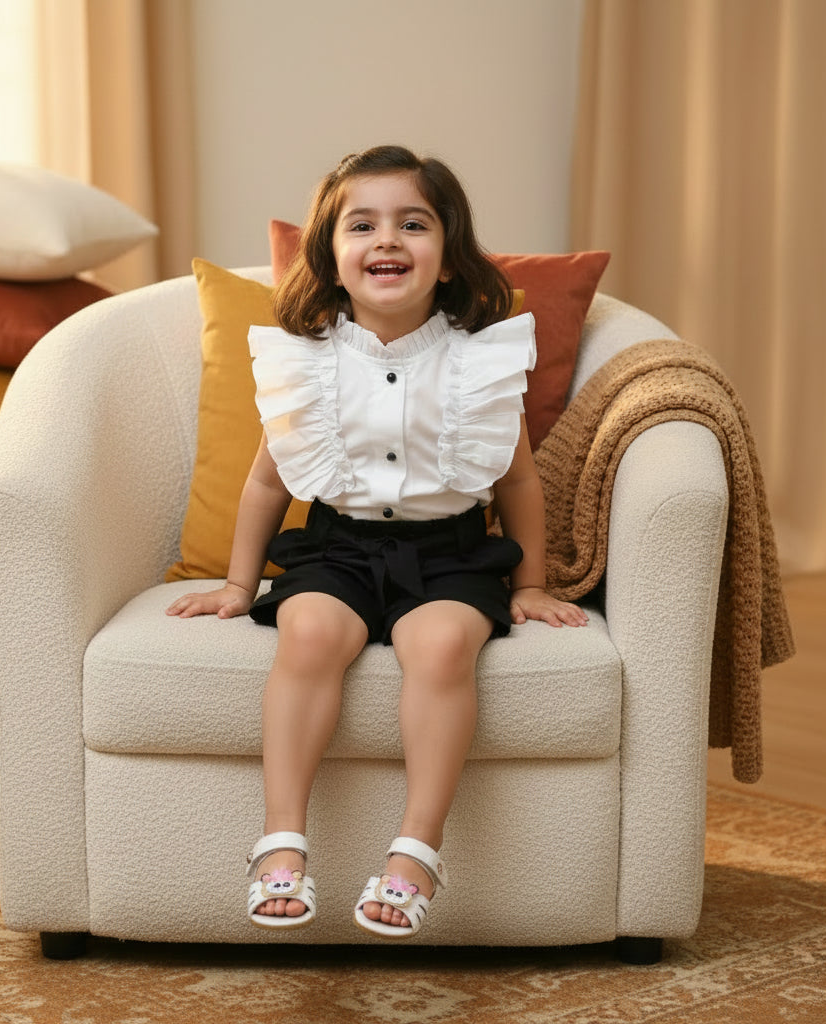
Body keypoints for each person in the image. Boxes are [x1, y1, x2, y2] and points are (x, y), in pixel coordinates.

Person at [166, 144, 587, 939]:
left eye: (413, 223)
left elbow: (518, 484)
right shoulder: (307, 365)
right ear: (330, 256)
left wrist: (529, 584)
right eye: (363, 224)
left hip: (455, 555)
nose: (387, 240)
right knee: (311, 631)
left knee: (439, 649)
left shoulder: (481, 363)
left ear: (450, 256)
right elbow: (268, 484)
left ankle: (416, 851)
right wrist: (236, 583)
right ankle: (280, 841)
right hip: (337, 550)